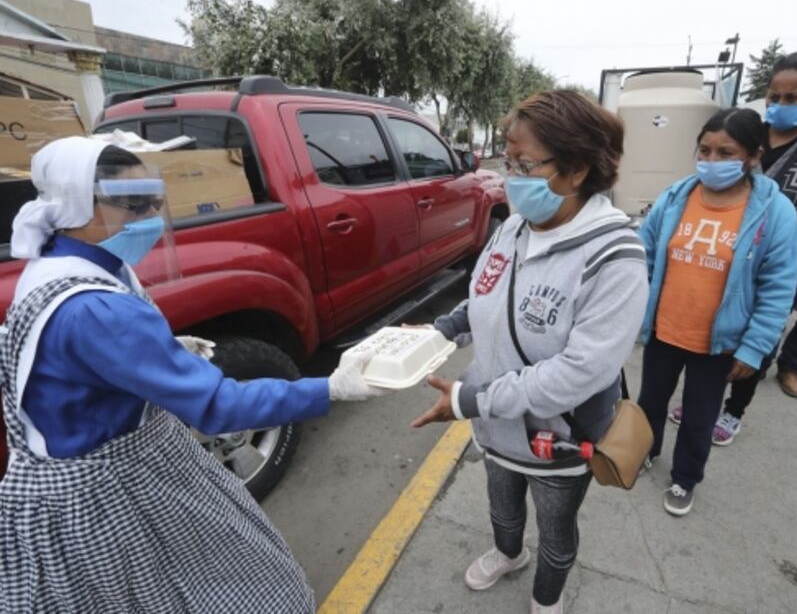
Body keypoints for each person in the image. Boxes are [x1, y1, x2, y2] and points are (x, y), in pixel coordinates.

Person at [0, 138, 383, 613]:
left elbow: (68, 366)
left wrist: (158, 353)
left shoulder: (55, 264)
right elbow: (219, 406)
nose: (149, 217)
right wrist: (329, 387)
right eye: (130, 203)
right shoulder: (96, 309)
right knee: (211, 585)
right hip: (112, 491)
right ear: (78, 204)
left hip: (76, 477)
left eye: (151, 200)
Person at [410, 91, 648, 613]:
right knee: (502, 505)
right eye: (507, 158)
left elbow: (582, 370)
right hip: (499, 427)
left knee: (556, 528)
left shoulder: (616, 257)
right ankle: (507, 553)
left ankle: (547, 599)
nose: (510, 176)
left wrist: (469, 401)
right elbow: (484, 296)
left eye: (524, 164)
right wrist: (439, 331)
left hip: (560, 436)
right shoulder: (513, 228)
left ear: (578, 168)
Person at [638, 108, 797, 516]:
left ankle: (685, 478)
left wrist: (754, 348)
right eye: (705, 150)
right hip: (664, 330)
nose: (711, 161)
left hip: (718, 341)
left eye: (725, 153)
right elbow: (643, 256)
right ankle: (645, 451)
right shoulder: (676, 197)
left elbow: (778, 287)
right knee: (650, 403)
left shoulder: (774, 212)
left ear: (752, 156)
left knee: (699, 415)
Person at [687, 51, 797, 446]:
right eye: (773, 96)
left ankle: (733, 410)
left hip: (780, 264)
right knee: (713, 332)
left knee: (757, 339)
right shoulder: (748, 135)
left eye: (792, 98)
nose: (780, 106)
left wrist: (791, 255)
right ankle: (703, 403)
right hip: (721, 255)